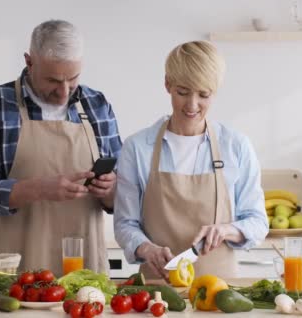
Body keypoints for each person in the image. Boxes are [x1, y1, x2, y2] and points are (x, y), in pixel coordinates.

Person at [0, 20, 122, 276]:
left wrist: (111, 189)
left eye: (73, 78)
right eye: (53, 80)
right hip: (14, 271)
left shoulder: (96, 105)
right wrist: (37, 189)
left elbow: (121, 197)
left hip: (83, 270)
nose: (64, 92)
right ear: (29, 61)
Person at [114, 40, 268, 280]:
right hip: (156, 291)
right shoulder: (137, 148)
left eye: (203, 95)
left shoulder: (235, 146)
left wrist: (227, 230)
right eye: (182, 92)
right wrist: (146, 248)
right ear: (168, 84)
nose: (192, 105)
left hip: (220, 292)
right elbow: (125, 224)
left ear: (215, 92)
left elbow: (258, 221)